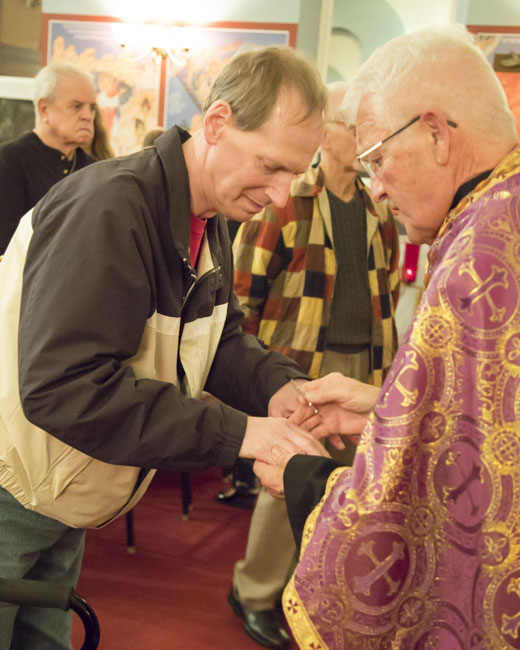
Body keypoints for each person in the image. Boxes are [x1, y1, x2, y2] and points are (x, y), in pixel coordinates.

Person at [0, 46, 330, 649]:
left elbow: (215, 335)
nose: (283, 197)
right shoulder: (111, 206)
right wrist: (239, 433)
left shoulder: (208, 213)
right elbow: (65, 387)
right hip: (12, 490)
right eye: (271, 166)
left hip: (63, 490)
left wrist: (277, 384)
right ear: (217, 124)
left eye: (295, 174)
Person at [253, 24, 520, 650]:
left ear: (435, 133)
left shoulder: (481, 253)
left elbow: (436, 517)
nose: (375, 185)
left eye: (377, 158)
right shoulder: (498, 217)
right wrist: (385, 406)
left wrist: (304, 479)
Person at [228, 82, 400, 648]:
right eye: (356, 128)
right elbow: (242, 292)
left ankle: (323, 591)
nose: (364, 141)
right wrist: (254, 373)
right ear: (328, 133)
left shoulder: (378, 205)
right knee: (290, 480)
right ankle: (254, 592)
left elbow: (390, 281)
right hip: (299, 364)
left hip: (366, 366)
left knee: (359, 490)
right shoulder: (289, 199)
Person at [0, 62, 97, 253]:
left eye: (92, 108)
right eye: (76, 106)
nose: (88, 116)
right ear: (44, 108)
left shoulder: (95, 170)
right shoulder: (9, 160)